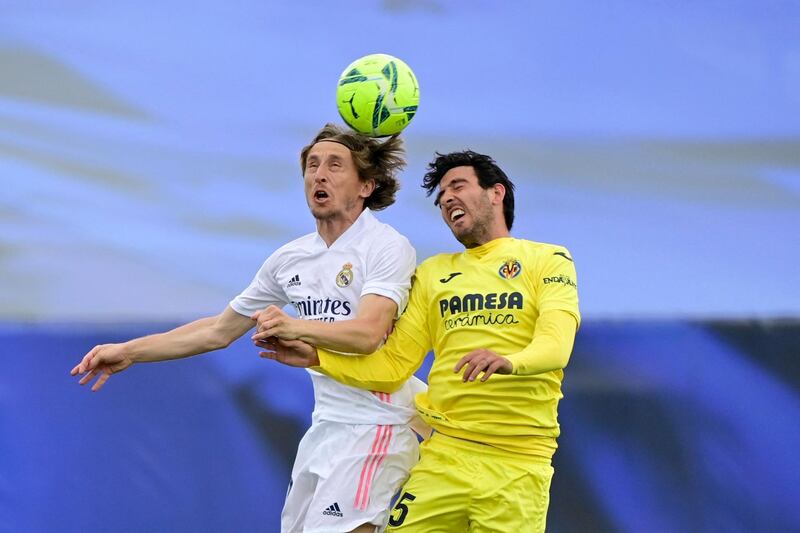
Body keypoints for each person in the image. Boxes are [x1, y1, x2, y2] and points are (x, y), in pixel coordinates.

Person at [71, 123, 428, 533]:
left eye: (334, 165)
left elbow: (367, 334)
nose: (319, 175)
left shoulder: (386, 246)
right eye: (312, 165)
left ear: (366, 185)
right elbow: (218, 331)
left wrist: (297, 327)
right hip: (327, 425)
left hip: (378, 424)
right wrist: (131, 351)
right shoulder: (289, 259)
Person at [258, 150, 580, 532]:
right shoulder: (434, 273)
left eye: (457, 186)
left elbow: (556, 345)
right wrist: (318, 358)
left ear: (496, 193)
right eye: (441, 195)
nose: (446, 199)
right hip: (446, 455)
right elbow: (392, 365)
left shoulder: (548, 259)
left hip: (518, 461)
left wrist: (510, 361)